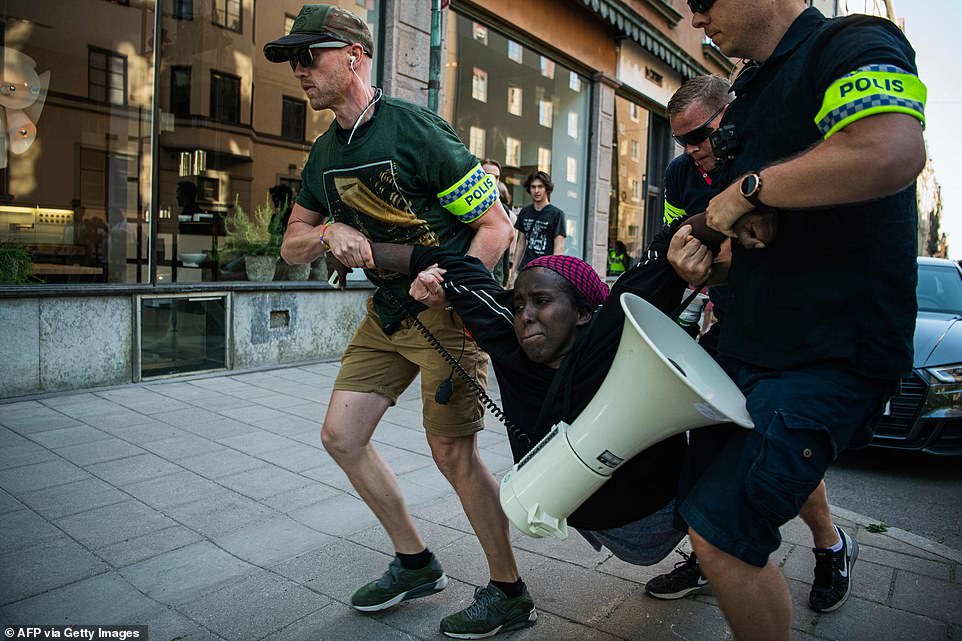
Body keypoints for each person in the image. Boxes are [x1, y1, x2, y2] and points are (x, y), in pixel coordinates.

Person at [262, 6, 528, 639]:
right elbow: (290, 245)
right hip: (385, 315)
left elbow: (496, 228)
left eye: (310, 56)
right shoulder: (324, 152)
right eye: (293, 61)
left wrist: (446, 280)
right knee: (341, 437)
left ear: (354, 55)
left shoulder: (415, 132)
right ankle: (416, 561)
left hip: (447, 316)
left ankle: (510, 591)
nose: (299, 70)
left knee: (453, 453)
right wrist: (328, 230)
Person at [676, 2, 927, 640]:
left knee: (724, 532)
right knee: (700, 504)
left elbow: (890, 150)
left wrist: (742, 193)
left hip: (831, 353)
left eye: (703, 2)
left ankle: (822, 547)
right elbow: (770, 242)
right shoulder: (751, 88)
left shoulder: (853, 41)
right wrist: (709, 260)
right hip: (753, 345)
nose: (697, 18)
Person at [366, 212, 726, 571]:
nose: (525, 315)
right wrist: (363, 249)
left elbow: (669, 241)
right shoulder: (507, 333)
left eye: (541, 301)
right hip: (586, 514)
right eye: (519, 304)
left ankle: (709, 560)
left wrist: (740, 200)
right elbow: (444, 262)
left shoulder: (610, 332)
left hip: (661, 512)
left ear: (584, 313)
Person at [649, 75, 855, 616]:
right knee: (707, 447)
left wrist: (727, 255)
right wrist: (692, 268)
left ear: (729, 117)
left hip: (793, 337)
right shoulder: (678, 175)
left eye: (702, 136)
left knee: (774, 454)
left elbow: (790, 255)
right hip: (732, 327)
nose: (693, 151)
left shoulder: (766, 156)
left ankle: (830, 546)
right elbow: (679, 249)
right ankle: (706, 551)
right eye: (683, 141)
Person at [509, 171, 565, 283]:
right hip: (526, 268)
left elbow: (558, 248)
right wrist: (513, 270)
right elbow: (521, 243)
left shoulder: (557, 214)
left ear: (547, 189)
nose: (536, 191)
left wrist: (554, 273)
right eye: (533, 187)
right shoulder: (525, 212)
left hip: (545, 271)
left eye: (540, 187)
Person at [481, 158, 516, 287]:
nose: (493, 180)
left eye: (496, 177)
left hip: (496, 278)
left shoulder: (504, 211)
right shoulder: (467, 208)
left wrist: (505, 276)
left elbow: (506, 249)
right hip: (474, 274)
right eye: (488, 175)